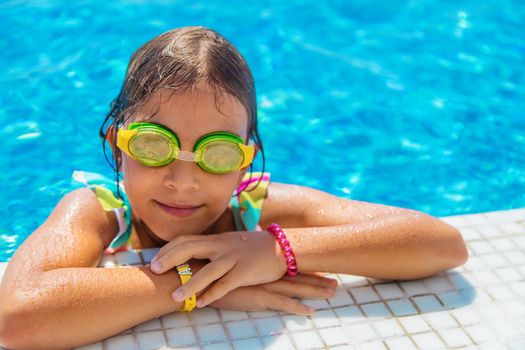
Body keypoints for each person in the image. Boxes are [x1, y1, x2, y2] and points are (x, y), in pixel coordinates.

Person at [0, 26, 468, 349]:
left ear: (244, 164)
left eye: (217, 153)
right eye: (152, 145)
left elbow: (441, 245)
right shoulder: (98, 211)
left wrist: (272, 251)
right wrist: (197, 285)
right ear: (117, 148)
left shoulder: (255, 208)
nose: (182, 180)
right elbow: (18, 318)